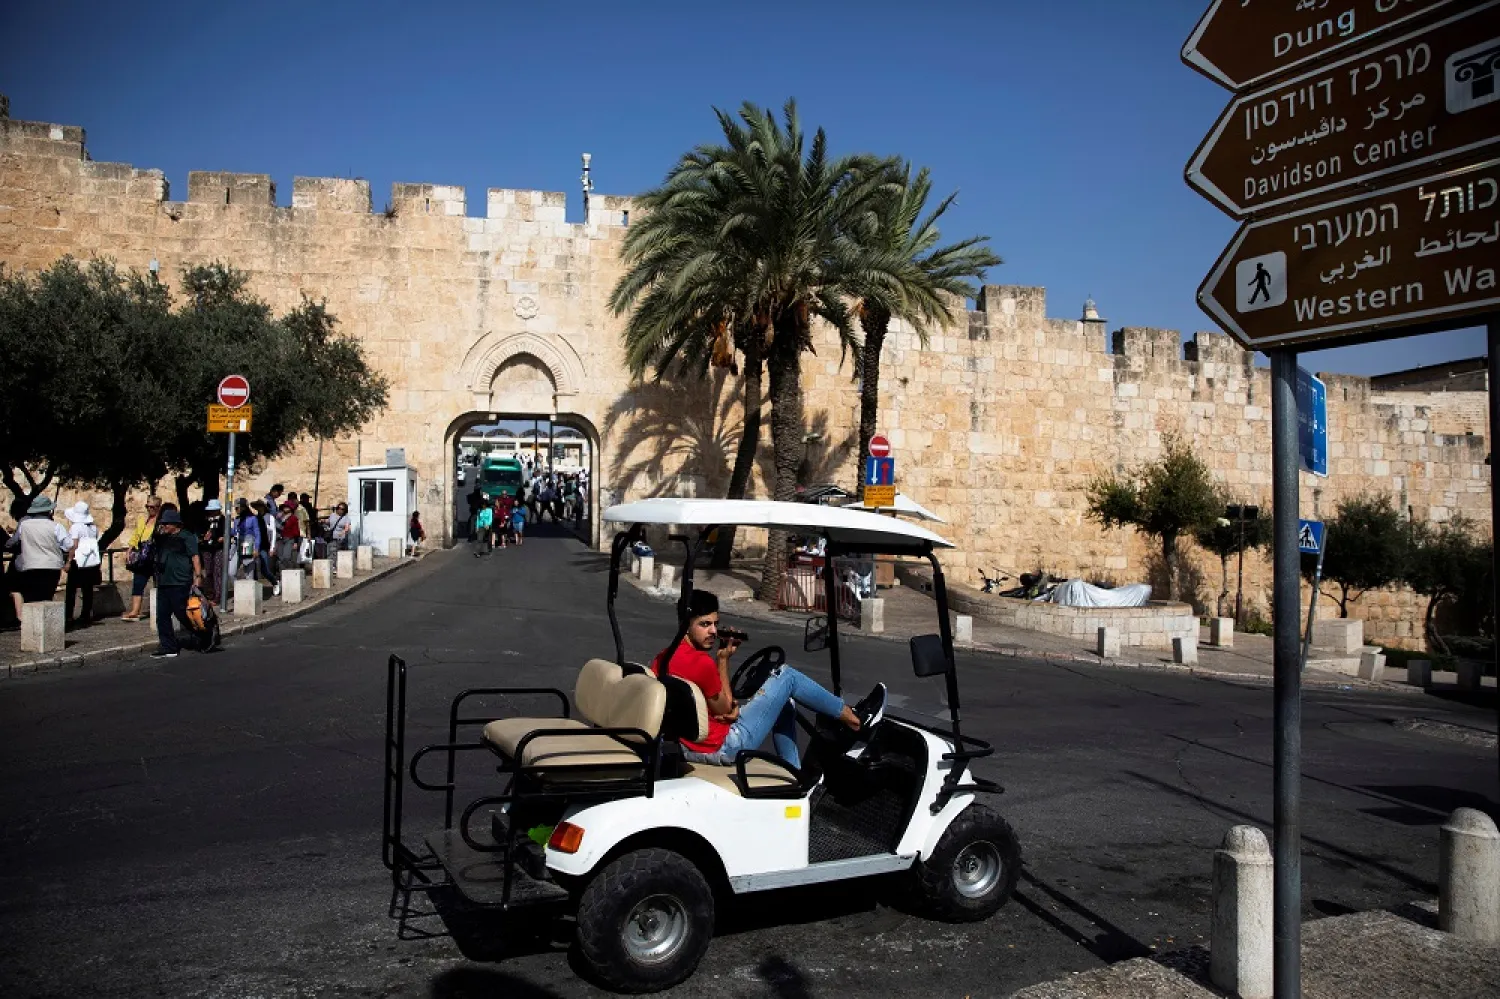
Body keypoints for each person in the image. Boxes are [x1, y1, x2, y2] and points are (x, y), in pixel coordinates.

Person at [652, 590, 885, 770]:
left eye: (715, 623)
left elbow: (703, 705)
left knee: (783, 703)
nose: (713, 631)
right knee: (786, 676)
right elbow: (725, 706)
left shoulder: (663, 658)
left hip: (689, 745)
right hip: (724, 746)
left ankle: (794, 774)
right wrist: (722, 661)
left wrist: (729, 709)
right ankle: (855, 720)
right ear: (685, 624)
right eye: (705, 624)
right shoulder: (701, 663)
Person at [6, 495, 72, 621]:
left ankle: (32, 626)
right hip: (52, 567)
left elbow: (12, 542)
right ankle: (48, 626)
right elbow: (68, 545)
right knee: (47, 597)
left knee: (32, 599)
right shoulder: (56, 526)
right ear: (48, 510)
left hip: (30, 566)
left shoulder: (24, 525)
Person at [149, 508, 202, 659]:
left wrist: (197, 577)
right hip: (164, 581)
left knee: (182, 614)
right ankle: (168, 647)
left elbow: (195, 557)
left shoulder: (187, 537)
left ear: (175, 524)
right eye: (163, 523)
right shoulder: (162, 538)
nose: (164, 526)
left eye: (166, 523)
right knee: (162, 616)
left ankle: (201, 635)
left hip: (180, 581)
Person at [120, 495, 162, 621]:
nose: (149, 509)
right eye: (147, 506)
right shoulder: (143, 520)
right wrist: (130, 549)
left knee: (158, 583)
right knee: (138, 583)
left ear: (158, 507)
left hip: (155, 556)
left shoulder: (161, 522)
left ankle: (161, 609)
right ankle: (135, 610)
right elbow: (136, 535)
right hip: (143, 556)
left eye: (152, 507)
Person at [64, 501, 102, 628]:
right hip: (89, 562)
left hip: (77, 562)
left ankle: (68, 615)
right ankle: (85, 615)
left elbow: (74, 546)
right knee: (87, 589)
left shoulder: (76, 527)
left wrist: (68, 561)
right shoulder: (93, 527)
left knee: (71, 589)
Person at [199, 498, 226, 605]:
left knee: (217, 571)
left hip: (218, 548)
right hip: (207, 548)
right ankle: (209, 593)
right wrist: (203, 537)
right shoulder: (205, 520)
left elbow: (224, 533)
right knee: (208, 571)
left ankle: (217, 596)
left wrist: (221, 538)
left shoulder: (222, 520)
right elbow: (200, 533)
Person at [234, 499, 263, 580]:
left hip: (247, 544)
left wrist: (256, 548)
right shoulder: (237, 519)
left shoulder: (253, 518)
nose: (235, 510)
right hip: (237, 546)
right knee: (231, 572)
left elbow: (257, 534)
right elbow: (234, 532)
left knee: (248, 572)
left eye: (237, 508)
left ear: (243, 508)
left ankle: (249, 591)